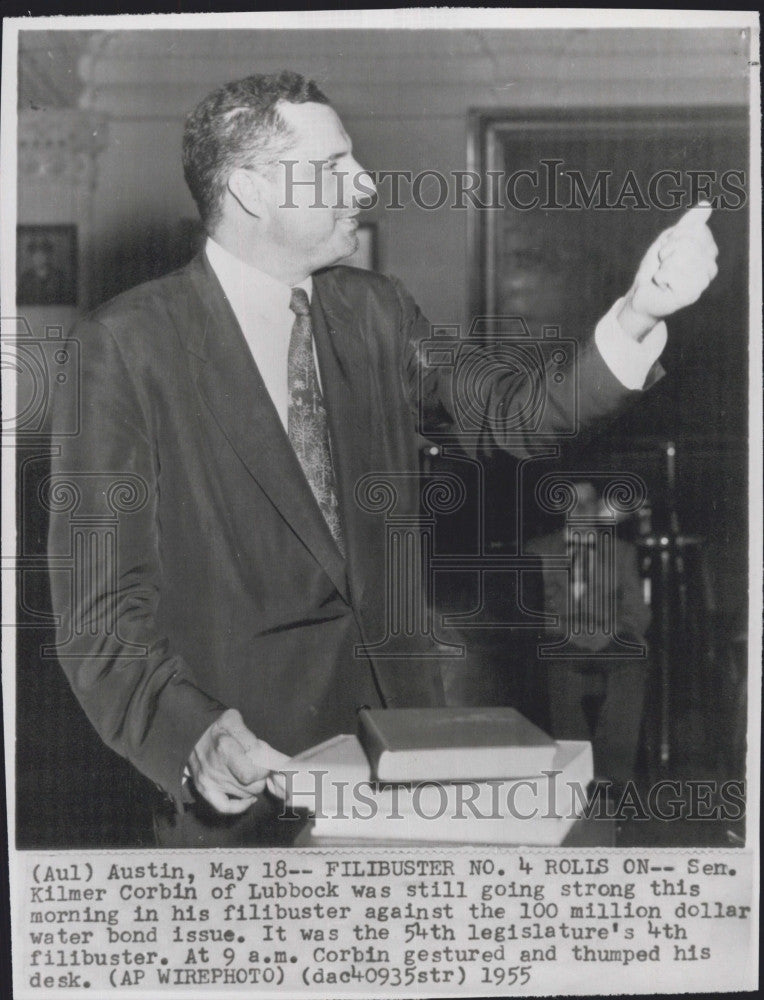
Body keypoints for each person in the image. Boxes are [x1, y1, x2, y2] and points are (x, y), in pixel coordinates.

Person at [47, 71, 718, 846]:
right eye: (333, 166)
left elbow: (516, 412)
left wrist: (640, 313)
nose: (363, 182)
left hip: (408, 765)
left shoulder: (376, 311)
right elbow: (100, 622)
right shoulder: (124, 349)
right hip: (246, 793)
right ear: (252, 191)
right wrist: (195, 739)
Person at [526, 481, 652, 785]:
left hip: (610, 638)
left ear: (598, 508)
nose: (580, 510)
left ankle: (611, 774)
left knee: (633, 663)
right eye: (573, 502)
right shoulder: (538, 552)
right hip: (559, 639)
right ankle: (575, 774)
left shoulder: (622, 552)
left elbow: (639, 611)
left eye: (588, 502)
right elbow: (528, 611)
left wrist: (612, 630)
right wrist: (566, 629)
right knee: (558, 670)